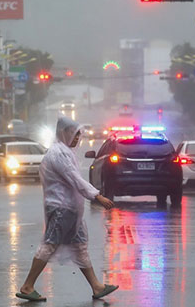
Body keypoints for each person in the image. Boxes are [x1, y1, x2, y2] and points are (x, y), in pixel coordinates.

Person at [17, 116, 119, 302]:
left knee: (79, 246)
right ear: (64, 133)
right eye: (74, 134)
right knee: (49, 244)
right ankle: (27, 286)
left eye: (78, 135)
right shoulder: (58, 153)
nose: (77, 138)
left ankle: (97, 286)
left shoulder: (65, 151)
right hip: (61, 208)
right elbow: (75, 178)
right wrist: (97, 196)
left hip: (71, 210)